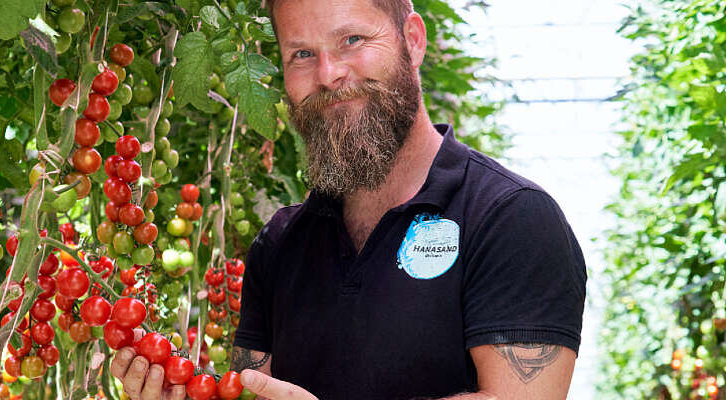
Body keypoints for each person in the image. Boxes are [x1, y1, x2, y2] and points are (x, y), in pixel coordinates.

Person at [110, 0, 587, 398]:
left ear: (413, 41)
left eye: (352, 41)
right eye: (300, 54)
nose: (328, 74)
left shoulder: (511, 218)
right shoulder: (279, 245)